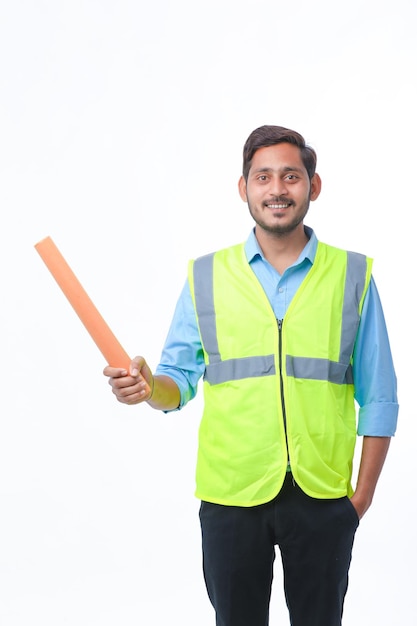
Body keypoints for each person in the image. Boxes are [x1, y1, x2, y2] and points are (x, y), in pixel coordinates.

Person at [103, 125, 398, 626]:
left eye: (291, 176)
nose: (277, 189)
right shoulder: (206, 276)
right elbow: (178, 380)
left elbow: (380, 396)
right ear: (244, 188)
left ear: (313, 185)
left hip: (323, 494)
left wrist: (360, 498)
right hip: (231, 493)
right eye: (263, 177)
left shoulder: (353, 276)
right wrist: (149, 388)